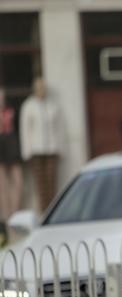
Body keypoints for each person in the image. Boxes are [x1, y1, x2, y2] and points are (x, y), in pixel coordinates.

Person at [20, 77, 62, 214]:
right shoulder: (28, 106)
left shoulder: (52, 105)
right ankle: (44, 212)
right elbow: (25, 130)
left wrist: (59, 148)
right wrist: (27, 152)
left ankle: (53, 210)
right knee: (41, 184)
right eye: (39, 87)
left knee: (52, 182)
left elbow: (58, 128)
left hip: (51, 149)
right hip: (36, 151)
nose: (41, 90)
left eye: (43, 87)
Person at [0, 88, 23, 246]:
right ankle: (7, 218)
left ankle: (15, 213)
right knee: (2, 184)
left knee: (18, 181)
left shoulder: (12, 110)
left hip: (12, 142)